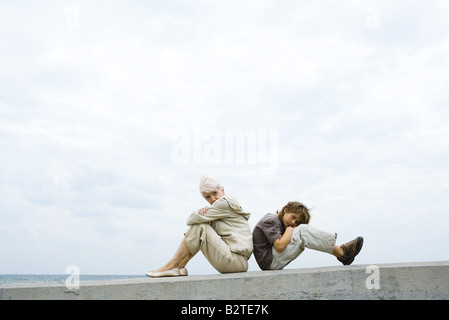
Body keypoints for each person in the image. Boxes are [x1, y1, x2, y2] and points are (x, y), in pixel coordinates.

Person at [146, 175, 253, 277]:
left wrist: (199, 213)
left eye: (215, 193)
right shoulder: (220, 210)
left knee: (200, 227)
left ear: (223, 190)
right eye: (208, 197)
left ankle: (171, 266)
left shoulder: (224, 203)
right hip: (237, 262)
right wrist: (203, 214)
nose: (213, 199)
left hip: (235, 261)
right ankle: (179, 266)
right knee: (203, 226)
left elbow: (191, 219)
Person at [252, 201, 363, 271]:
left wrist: (290, 230)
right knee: (302, 231)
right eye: (293, 217)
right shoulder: (271, 220)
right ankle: (343, 253)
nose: (293, 222)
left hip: (272, 260)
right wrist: (290, 230)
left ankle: (342, 253)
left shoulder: (281, 223)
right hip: (269, 260)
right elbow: (280, 246)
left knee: (302, 232)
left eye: (297, 222)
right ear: (285, 210)